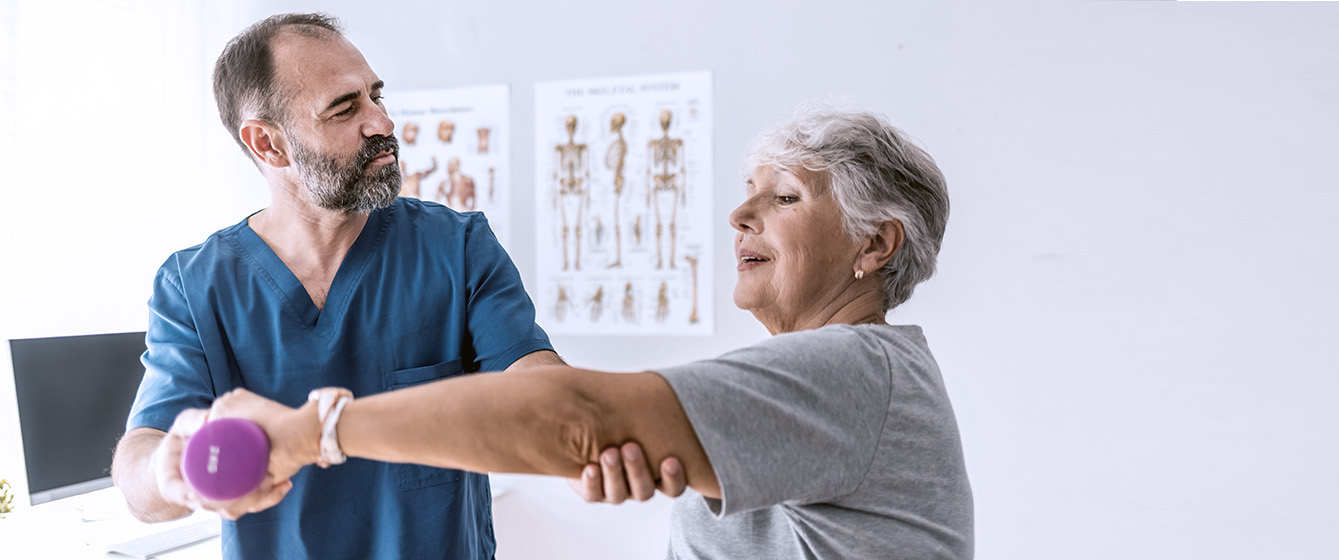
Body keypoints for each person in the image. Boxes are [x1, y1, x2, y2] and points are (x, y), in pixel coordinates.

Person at [189, 107, 974, 558]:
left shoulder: (852, 371)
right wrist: (600, 444)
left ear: (876, 246)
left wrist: (309, 432)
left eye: (787, 197)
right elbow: (582, 429)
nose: (740, 214)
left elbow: (571, 417)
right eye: (747, 193)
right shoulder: (836, 378)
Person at [111, 13, 674, 560]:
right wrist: (170, 470)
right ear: (268, 145)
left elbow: (537, 389)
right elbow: (141, 471)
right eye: (344, 108)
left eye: (376, 96)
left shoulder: (457, 248)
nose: (381, 123)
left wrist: (583, 441)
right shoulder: (195, 286)